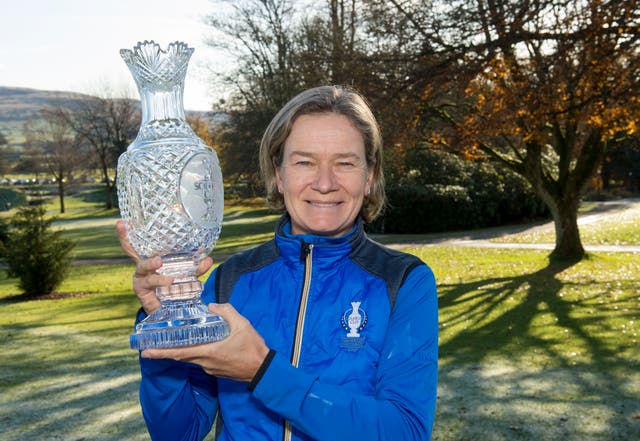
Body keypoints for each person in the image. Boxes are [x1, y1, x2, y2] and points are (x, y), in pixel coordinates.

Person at [117, 85, 438, 441]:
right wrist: (165, 327)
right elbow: (179, 432)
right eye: (305, 162)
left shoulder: (403, 281)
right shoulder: (230, 280)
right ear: (279, 174)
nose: (325, 183)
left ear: (370, 176)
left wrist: (263, 371)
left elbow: (405, 431)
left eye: (345, 163)